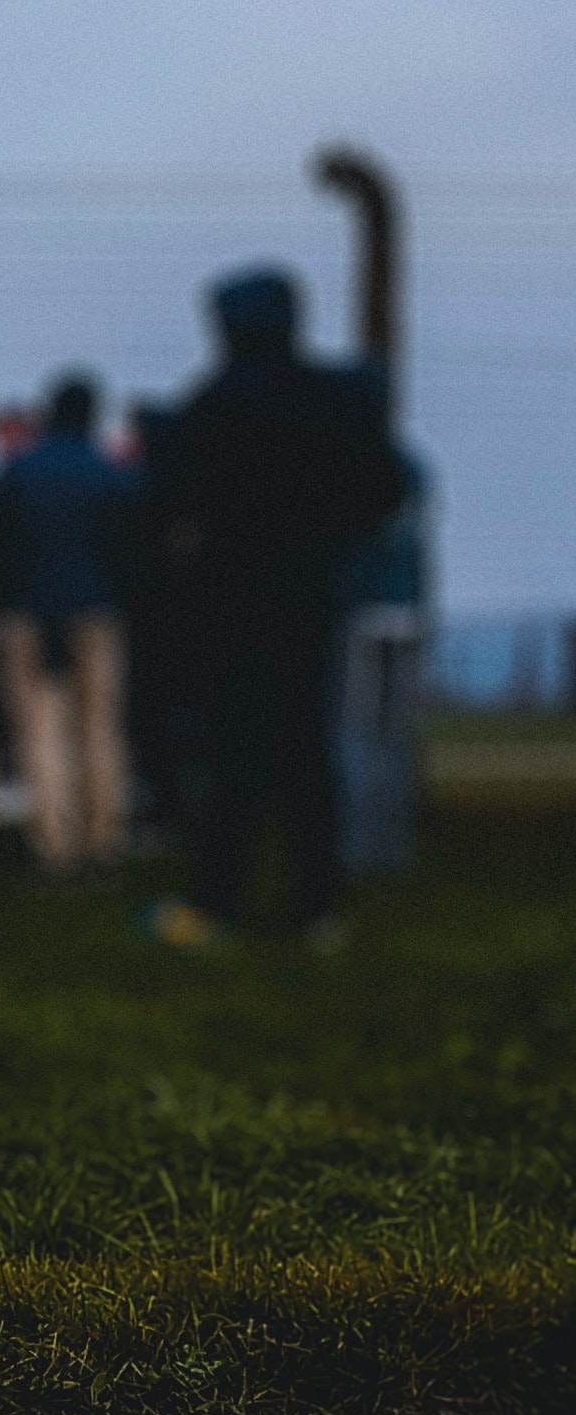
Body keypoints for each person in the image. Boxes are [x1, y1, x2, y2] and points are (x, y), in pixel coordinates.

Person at [146, 268, 410, 946]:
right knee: (307, 752)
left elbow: (168, 500)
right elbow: (384, 489)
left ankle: (216, 902)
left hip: (229, 599)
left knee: (231, 752)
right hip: (314, 594)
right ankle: (315, 906)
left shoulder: (211, 402)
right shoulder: (336, 401)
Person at [0, 373, 140, 874]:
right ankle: (104, 838)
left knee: (42, 731)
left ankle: (56, 845)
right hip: (98, 613)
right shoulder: (112, 474)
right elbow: (129, 550)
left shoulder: (18, 470)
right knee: (102, 728)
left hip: (30, 614)